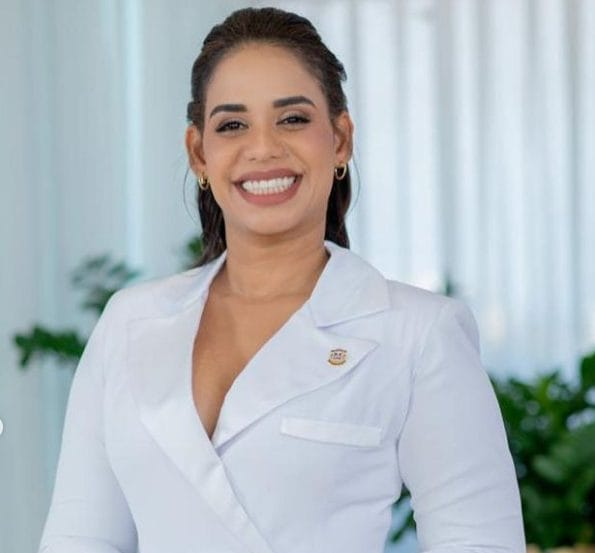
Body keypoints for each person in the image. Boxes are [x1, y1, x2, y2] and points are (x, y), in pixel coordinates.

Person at [39, 7, 525, 553]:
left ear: (340, 139)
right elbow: (78, 540)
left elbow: (479, 543)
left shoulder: (418, 334)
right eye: (232, 125)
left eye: (292, 119)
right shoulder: (130, 322)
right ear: (199, 153)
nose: (263, 147)